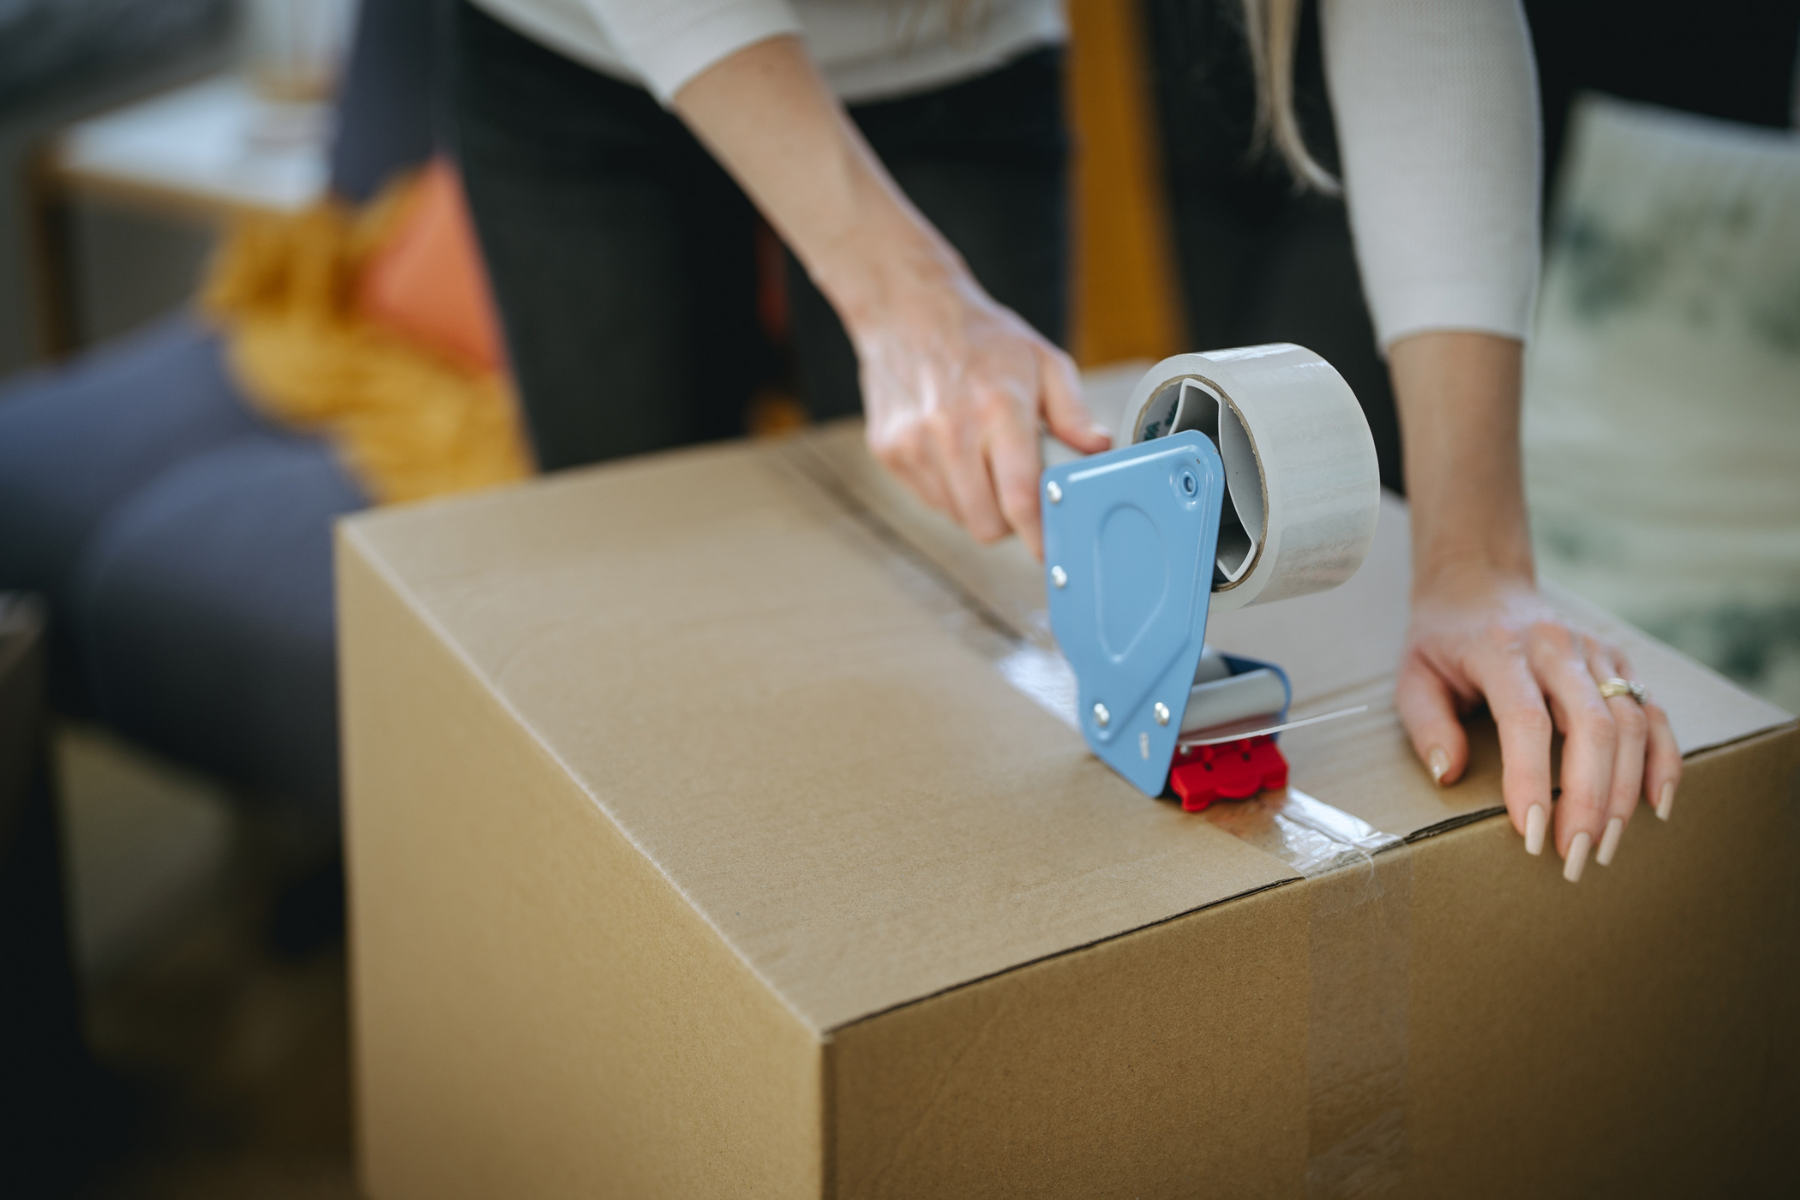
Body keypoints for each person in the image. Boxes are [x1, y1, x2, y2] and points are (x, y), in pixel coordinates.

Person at [452, 0, 1679, 882]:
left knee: (976, 559)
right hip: (591, 51)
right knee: (636, 621)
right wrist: (900, 295)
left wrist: (1475, 555)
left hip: (950, 48)